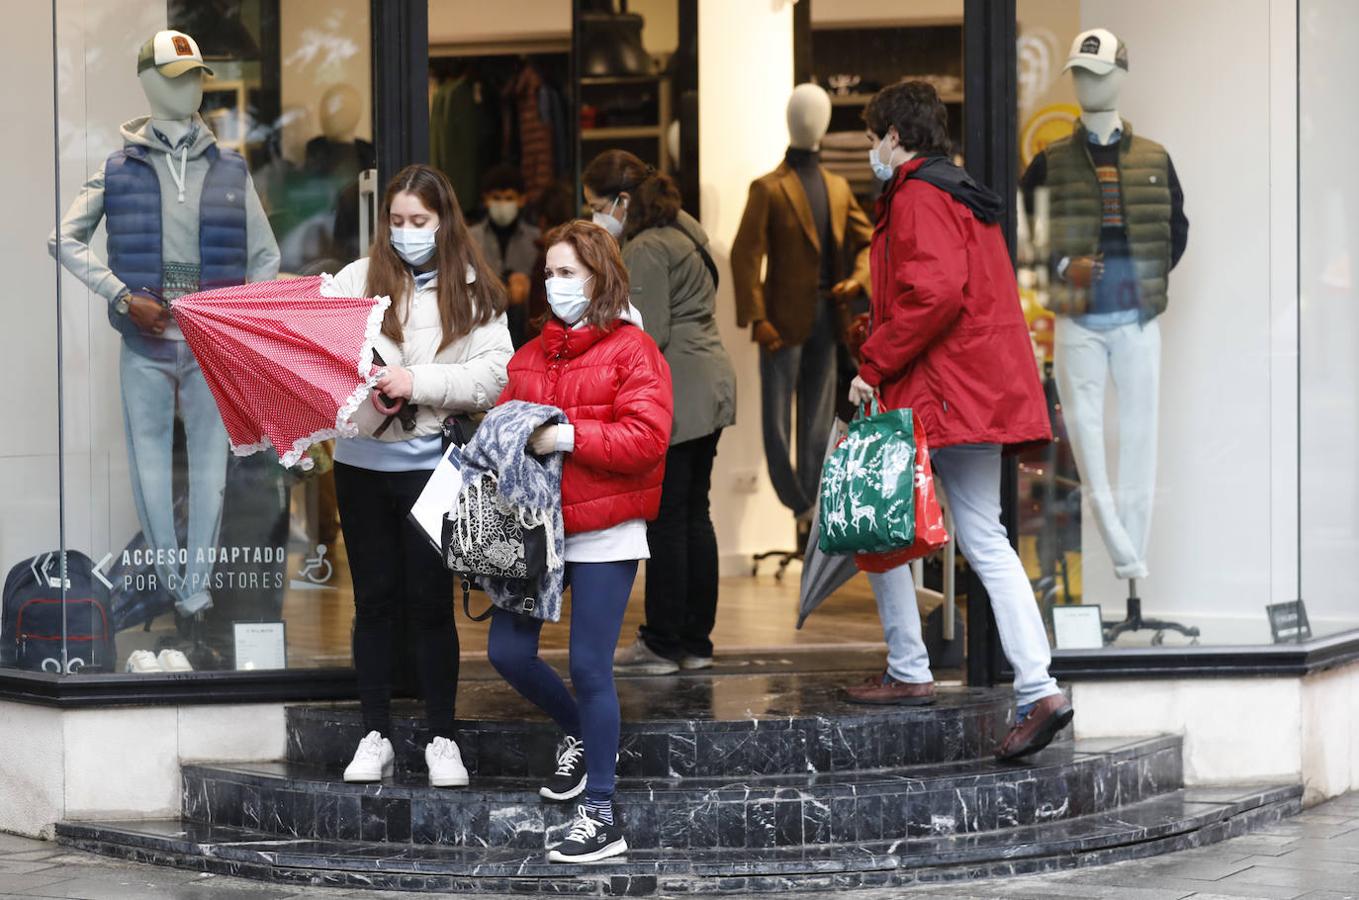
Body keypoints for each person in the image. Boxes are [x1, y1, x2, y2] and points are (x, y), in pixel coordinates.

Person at [846, 80, 1071, 762]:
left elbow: (935, 294)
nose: (868, 150)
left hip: (939, 391)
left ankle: (910, 670)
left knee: (878, 520)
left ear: (895, 135)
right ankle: (1037, 686)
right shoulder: (960, 190)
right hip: (976, 391)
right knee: (986, 540)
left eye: (871, 136)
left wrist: (873, 360)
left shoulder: (917, 195)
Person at [488, 219, 673, 863]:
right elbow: (507, 418)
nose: (554, 283)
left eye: (567, 273)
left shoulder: (633, 350)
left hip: (606, 527)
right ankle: (582, 733)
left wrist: (566, 437)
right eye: (550, 273)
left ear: (600, 279)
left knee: (591, 666)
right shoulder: (531, 353)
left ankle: (602, 814)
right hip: (537, 529)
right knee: (507, 652)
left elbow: (647, 441)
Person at [327, 164, 512, 787]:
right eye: (397, 221)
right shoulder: (356, 279)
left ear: (443, 222)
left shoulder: (474, 289)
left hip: (434, 467)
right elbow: (322, 360)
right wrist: (366, 384)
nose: (406, 233)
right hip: (360, 466)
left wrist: (417, 382)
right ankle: (373, 732)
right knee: (373, 601)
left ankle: (442, 737)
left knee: (431, 605)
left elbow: (493, 376)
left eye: (419, 222)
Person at [581, 150, 736, 676]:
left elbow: (647, 334)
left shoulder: (646, 247)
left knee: (668, 518)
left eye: (596, 205)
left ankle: (663, 642)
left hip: (681, 391)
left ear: (622, 201)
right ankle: (695, 640)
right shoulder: (686, 228)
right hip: (710, 384)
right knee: (696, 512)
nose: (593, 218)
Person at [469, 163, 541, 349]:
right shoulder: (470, 238)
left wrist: (529, 288)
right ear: (486, 200)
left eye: (509, 198)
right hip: (481, 331)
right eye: (496, 198)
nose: (502, 204)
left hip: (526, 332)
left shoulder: (536, 240)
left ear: (522, 200)